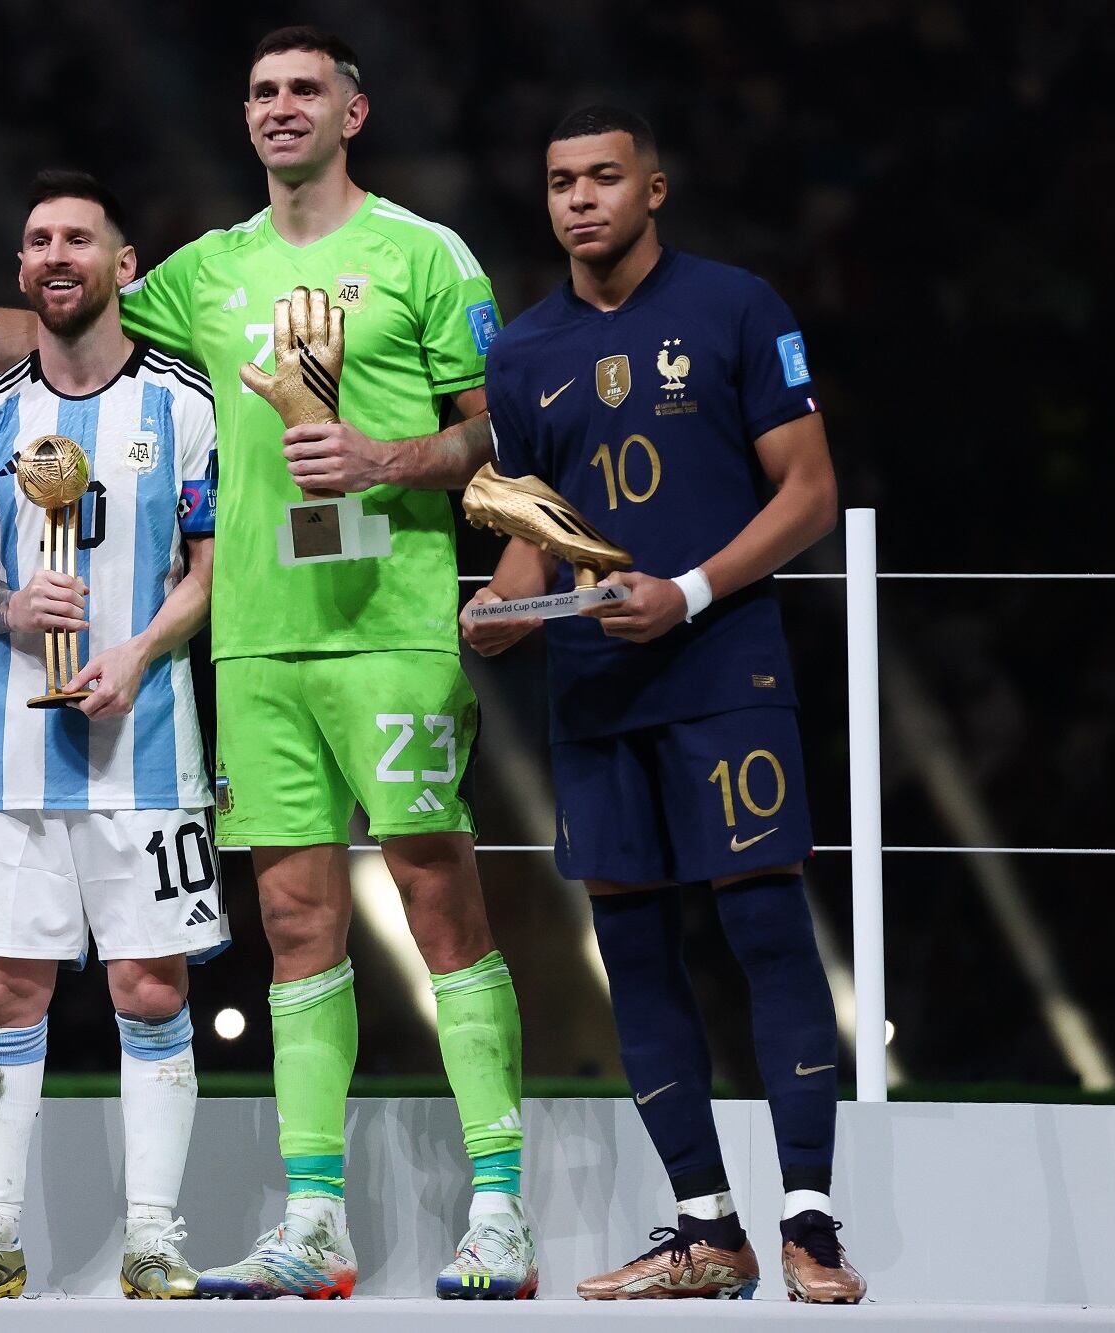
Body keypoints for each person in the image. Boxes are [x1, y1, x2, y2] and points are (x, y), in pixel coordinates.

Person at [0, 25, 533, 1302]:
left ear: (354, 110)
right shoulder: (208, 269)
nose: (280, 108)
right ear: (244, 121)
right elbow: (48, 321)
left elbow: (494, 430)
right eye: (261, 93)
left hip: (390, 626)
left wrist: (383, 461)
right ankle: (316, 1222)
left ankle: (498, 1209)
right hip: (255, 642)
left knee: (440, 902)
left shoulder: (420, 253)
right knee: (296, 930)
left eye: (305, 90)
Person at [462, 104, 865, 1303]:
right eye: (556, 182)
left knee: (760, 928)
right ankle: (704, 1228)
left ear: (653, 188)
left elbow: (808, 495)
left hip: (720, 669)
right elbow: (540, 537)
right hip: (595, 688)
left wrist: (686, 593)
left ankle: (809, 1220)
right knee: (630, 947)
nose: (577, 199)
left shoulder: (736, 306)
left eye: (601, 177)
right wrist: (498, 607)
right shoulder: (523, 352)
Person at [0, 170, 223, 1301]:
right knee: (1, 992)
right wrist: (4, 608)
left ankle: (153, 1238)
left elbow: (212, 567)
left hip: (150, 745)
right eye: (36, 241)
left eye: (78, 238)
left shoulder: (181, 402)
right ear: (21, 271)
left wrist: (135, 653)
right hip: (13, 757)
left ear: (123, 265)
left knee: (149, 987)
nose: (54, 255)